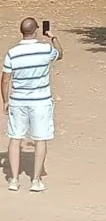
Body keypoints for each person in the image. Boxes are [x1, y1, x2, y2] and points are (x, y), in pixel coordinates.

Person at [1, 17, 63, 192]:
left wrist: (5, 101)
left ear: (21, 31)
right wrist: (52, 37)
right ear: (36, 30)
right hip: (40, 101)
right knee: (40, 139)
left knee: (15, 138)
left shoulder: (12, 53)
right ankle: (35, 180)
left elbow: (5, 80)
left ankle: (14, 180)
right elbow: (60, 54)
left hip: (18, 101)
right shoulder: (45, 49)